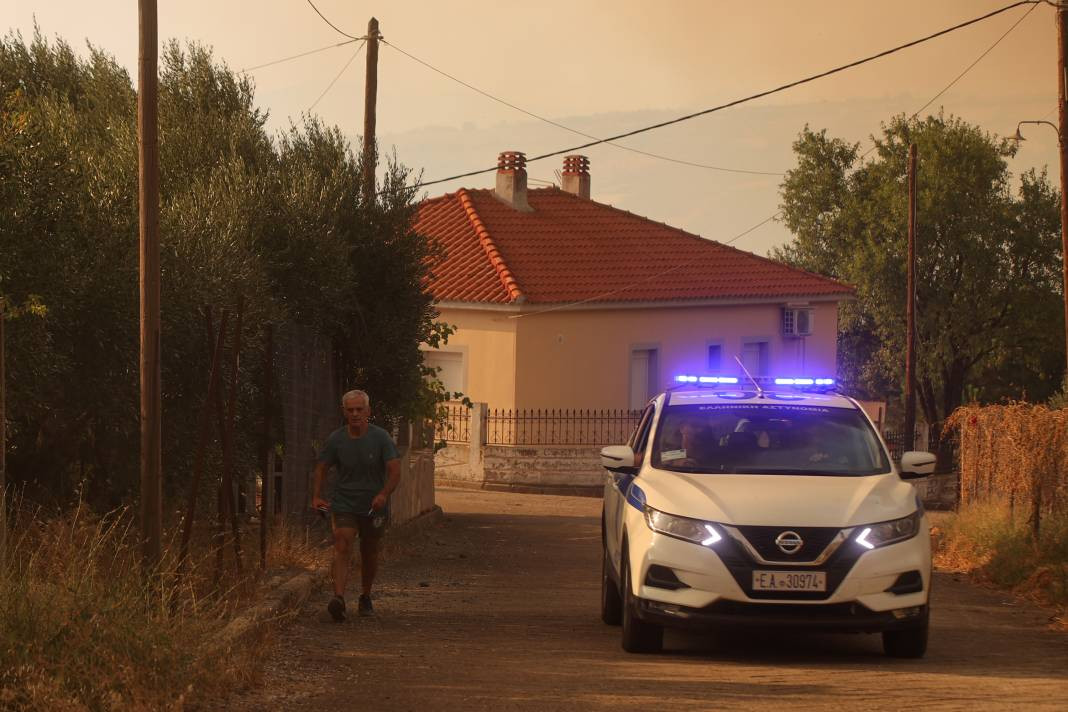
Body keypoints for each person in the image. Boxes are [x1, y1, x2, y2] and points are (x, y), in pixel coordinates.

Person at [312, 389, 401, 621]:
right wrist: (317, 496)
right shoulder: (336, 439)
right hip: (344, 502)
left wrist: (384, 494)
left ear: (368, 411)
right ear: (344, 412)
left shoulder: (381, 438)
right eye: (350, 410)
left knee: (369, 551)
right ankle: (339, 598)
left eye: (359, 409)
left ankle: (365, 595)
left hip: (373, 505)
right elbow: (322, 466)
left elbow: (394, 470)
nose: (355, 414)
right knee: (342, 542)